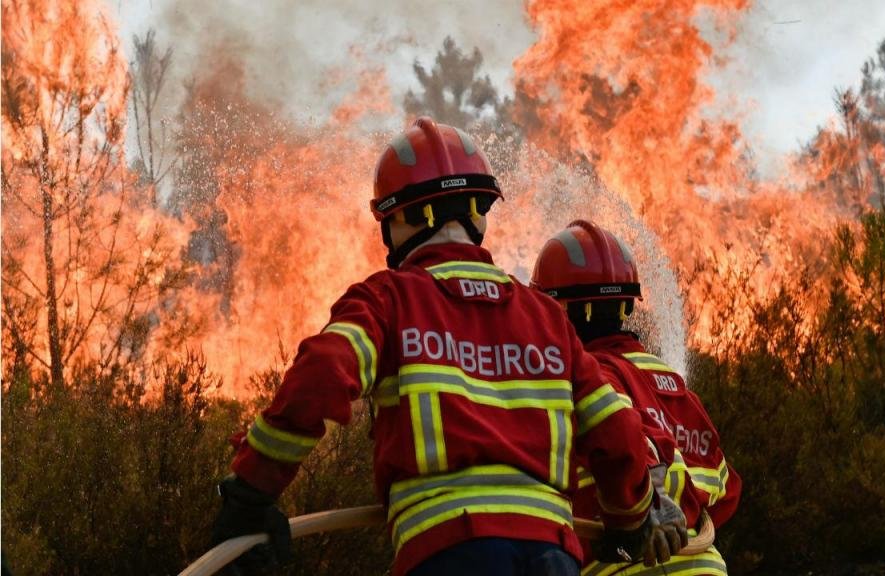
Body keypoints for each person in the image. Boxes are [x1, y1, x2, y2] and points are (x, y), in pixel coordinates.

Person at [211, 118, 687, 576]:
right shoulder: (547, 318)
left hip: (447, 552)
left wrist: (252, 492)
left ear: (396, 218)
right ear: (478, 212)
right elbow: (615, 428)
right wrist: (631, 519)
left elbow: (320, 376)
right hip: (551, 556)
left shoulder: (388, 299)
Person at [531, 220, 742, 575]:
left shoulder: (583, 380)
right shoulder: (673, 386)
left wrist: (642, 510)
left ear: (557, 310)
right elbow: (727, 490)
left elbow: (629, 440)